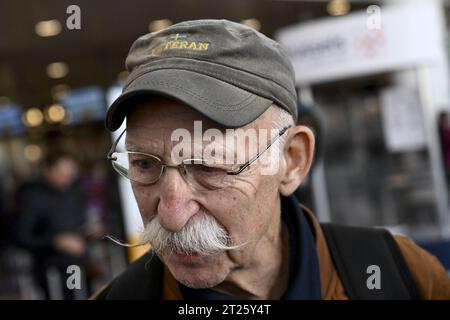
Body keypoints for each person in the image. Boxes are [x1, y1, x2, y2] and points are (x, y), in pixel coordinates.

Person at [94, 19, 450, 300]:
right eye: (144, 164)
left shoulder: (400, 275)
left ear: (292, 160)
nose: (170, 216)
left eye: (209, 166)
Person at [17, 151, 87, 299]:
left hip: (77, 266)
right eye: (62, 174)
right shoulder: (32, 196)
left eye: (70, 174)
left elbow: (80, 224)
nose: (67, 179)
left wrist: (90, 232)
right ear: (48, 170)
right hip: (50, 270)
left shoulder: (75, 191)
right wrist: (56, 241)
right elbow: (21, 237)